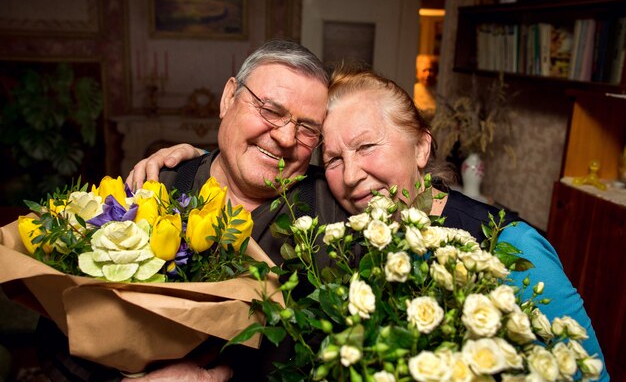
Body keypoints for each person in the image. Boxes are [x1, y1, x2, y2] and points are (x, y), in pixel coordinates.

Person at [136, 65, 609, 381]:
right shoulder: (348, 228)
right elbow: (263, 159)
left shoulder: (511, 243)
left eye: (367, 147)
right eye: (336, 158)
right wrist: (197, 157)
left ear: (422, 147)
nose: (353, 175)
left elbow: (588, 372)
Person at [36, 40, 348, 382]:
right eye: (271, 110)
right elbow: (64, 335)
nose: (287, 138)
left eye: (307, 129)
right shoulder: (156, 186)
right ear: (229, 98)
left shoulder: (336, 210)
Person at [413, 54, 438, 122]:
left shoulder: (440, 90)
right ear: (417, 73)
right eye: (424, 70)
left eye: (430, 70)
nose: (427, 75)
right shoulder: (413, 89)